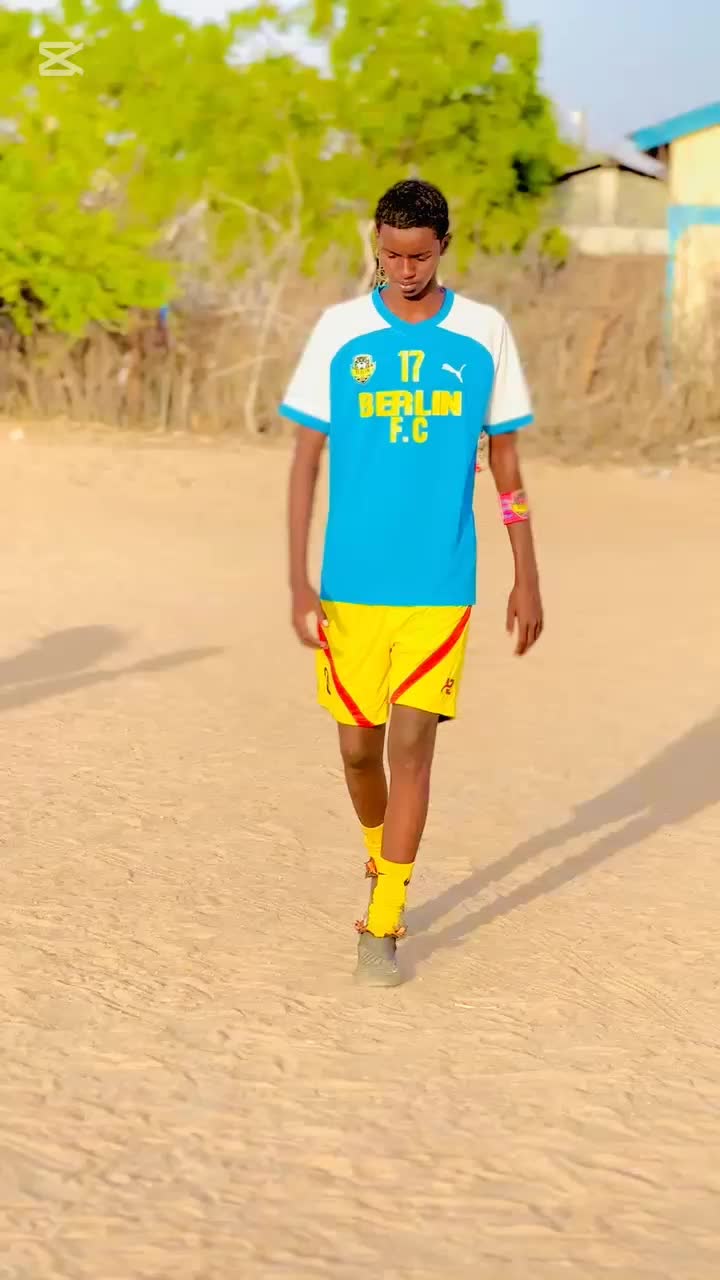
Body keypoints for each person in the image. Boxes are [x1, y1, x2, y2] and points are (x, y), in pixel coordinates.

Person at [281, 179, 543, 987]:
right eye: (392, 254)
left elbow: (506, 463)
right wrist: (297, 580)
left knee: (413, 750)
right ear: (377, 245)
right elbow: (305, 462)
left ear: (443, 248)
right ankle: (378, 853)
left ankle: (384, 921)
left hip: (440, 584)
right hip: (351, 584)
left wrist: (526, 573)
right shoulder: (341, 332)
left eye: (420, 256)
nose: (405, 269)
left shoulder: (483, 334)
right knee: (359, 753)